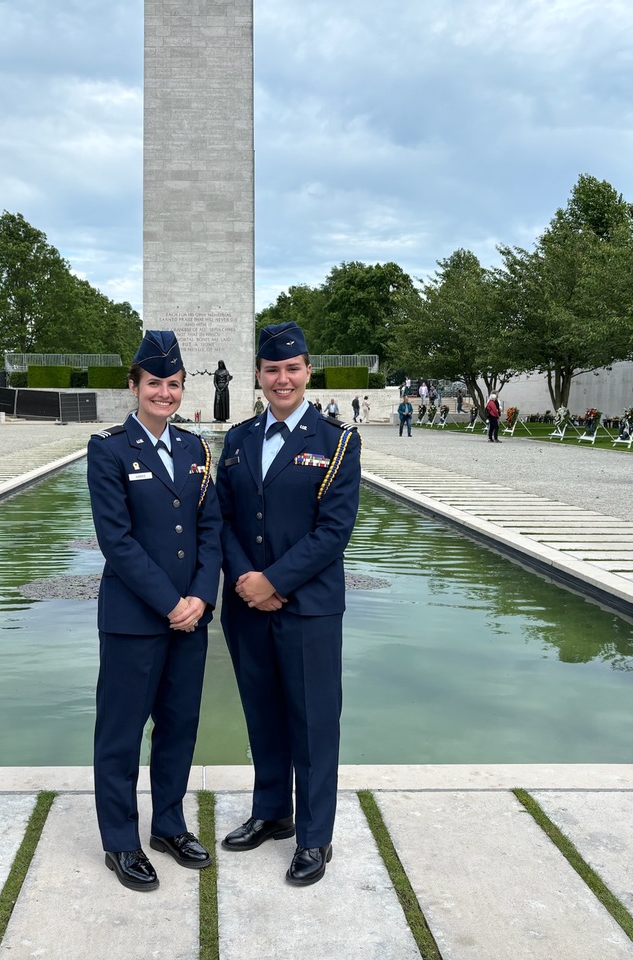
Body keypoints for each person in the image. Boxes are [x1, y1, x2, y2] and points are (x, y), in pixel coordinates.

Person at [216, 321, 362, 887]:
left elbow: (333, 532)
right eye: (272, 370)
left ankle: (315, 836)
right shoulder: (239, 439)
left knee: (314, 722)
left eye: (292, 369)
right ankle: (273, 811)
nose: (282, 379)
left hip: (308, 607)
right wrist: (246, 580)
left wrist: (273, 581)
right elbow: (223, 518)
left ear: (308, 372)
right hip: (246, 606)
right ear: (258, 374)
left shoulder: (337, 442)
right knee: (263, 714)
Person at [86, 330, 223, 893]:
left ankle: (168, 824)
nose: (163, 393)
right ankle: (121, 840)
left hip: (189, 619)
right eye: (154, 384)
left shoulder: (196, 450)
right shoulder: (110, 448)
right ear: (134, 386)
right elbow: (115, 541)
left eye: (173, 384)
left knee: (179, 728)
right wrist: (172, 603)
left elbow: (210, 528)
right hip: (134, 620)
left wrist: (200, 597)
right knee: (120, 733)